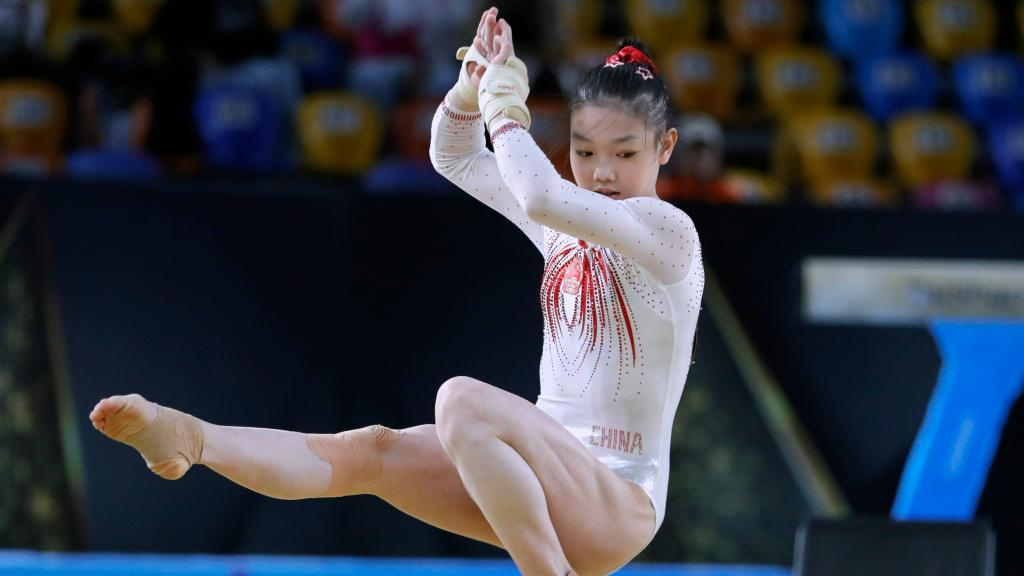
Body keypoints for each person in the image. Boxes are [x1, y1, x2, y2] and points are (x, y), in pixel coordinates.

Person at [90, 8, 703, 576]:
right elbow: (455, 156)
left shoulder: (668, 231)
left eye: (625, 153)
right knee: (372, 451)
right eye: (584, 151)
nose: (602, 172)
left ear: (665, 147)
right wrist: (470, 89)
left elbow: (540, 194)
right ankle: (193, 439)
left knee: (461, 400)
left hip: (618, 501)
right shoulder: (565, 226)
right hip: (539, 478)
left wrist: (505, 103)